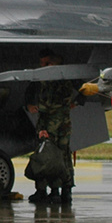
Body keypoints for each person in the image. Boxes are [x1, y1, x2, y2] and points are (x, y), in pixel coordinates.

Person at [24, 49, 76, 203]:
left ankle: (50, 191)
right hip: (63, 122)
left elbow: (47, 106)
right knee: (62, 155)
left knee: (47, 155)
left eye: (48, 63)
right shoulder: (65, 79)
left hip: (51, 123)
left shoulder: (51, 81)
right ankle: (65, 190)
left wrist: (42, 127)